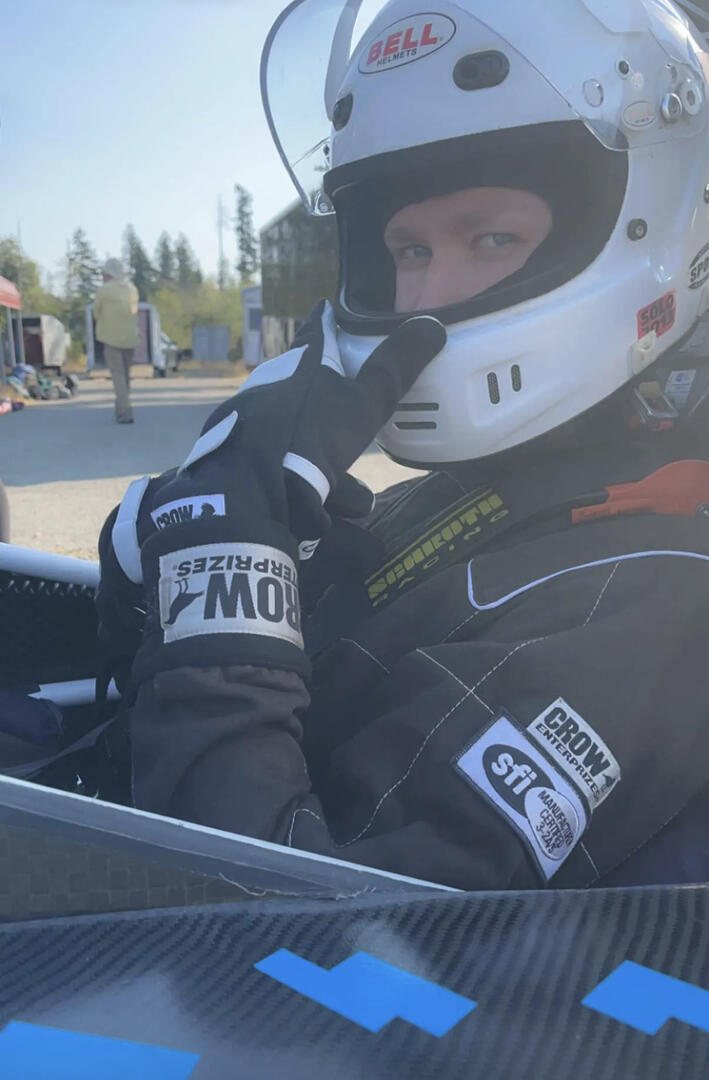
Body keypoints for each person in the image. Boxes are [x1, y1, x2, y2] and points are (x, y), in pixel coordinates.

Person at [97, 0, 709, 891]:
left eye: (490, 237)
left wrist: (223, 572)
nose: (425, 294)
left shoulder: (657, 601)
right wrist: (180, 531)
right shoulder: (483, 490)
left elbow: (296, 939)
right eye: (405, 248)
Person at [93, 258, 139, 424]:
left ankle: (126, 412)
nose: (102, 275)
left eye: (104, 273)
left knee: (118, 376)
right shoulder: (132, 289)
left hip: (111, 338)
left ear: (110, 273)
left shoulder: (103, 291)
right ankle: (120, 408)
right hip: (130, 338)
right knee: (125, 376)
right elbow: (134, 311)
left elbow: (96, 312)